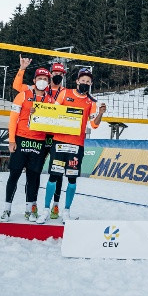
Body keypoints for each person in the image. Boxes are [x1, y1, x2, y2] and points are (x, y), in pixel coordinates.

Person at [36, 68, 106, 223]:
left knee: (72, 179)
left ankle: (66, 211)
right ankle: (46, 210)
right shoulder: (65, 93)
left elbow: (94, 125)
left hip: (76, 145)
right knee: (53, 176)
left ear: (91, 83)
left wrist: (100, 113)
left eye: (88, 81)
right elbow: (52, 111)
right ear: (77, 81)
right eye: (83, 80)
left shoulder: (91, 102)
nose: (85, 83)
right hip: (59, 142)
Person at [0, 68, 54, 222]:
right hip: (21, 139)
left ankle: (29, 210)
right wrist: (11, 140)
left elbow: (54, 124)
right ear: (34, 81)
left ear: (48, 83)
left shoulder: (50, 101)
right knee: (14, 175)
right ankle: (6, 209)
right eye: (39, 78)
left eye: (45, 79)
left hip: (39, 142)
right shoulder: (23, 95)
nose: (42, 81)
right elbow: (13, 119)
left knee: (33, 178)